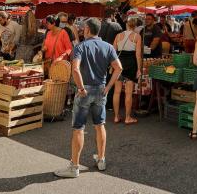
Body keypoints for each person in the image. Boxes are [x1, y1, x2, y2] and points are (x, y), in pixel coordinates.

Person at [54, 18, 122, 178]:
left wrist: (81, 88)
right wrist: (108, 87)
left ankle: (75, 167)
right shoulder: (108, 46)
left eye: (83, 28)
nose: (82, 30)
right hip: (100, 89)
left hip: (85, 90)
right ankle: (101, 159)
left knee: (79, 128)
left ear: (87, 29)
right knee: (100, 125)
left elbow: (75, 69)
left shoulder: (81, 47)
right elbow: (118, 68)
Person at [112, 17, 142, 124]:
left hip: (119, 64)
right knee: (128, 93)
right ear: (135, 26)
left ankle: (116, 117)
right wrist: (139, 68)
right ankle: (128, 118)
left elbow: (113, 52)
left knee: (117, 91)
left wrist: (113, 66)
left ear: (126, 25)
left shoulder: (118, 36)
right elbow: (138, 54)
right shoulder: (137, 36)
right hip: (131, 64)